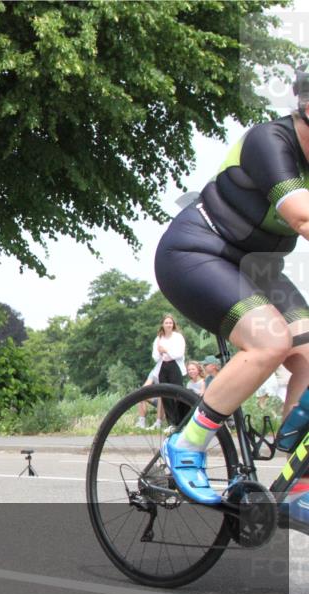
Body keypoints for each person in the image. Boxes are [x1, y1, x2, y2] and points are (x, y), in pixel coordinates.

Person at [154, 71, 309, 529]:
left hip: (257, 268)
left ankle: (295, 480)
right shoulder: (270, 141)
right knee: (270, 342)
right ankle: (186, 444)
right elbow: (302, 216)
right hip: (196, 254)